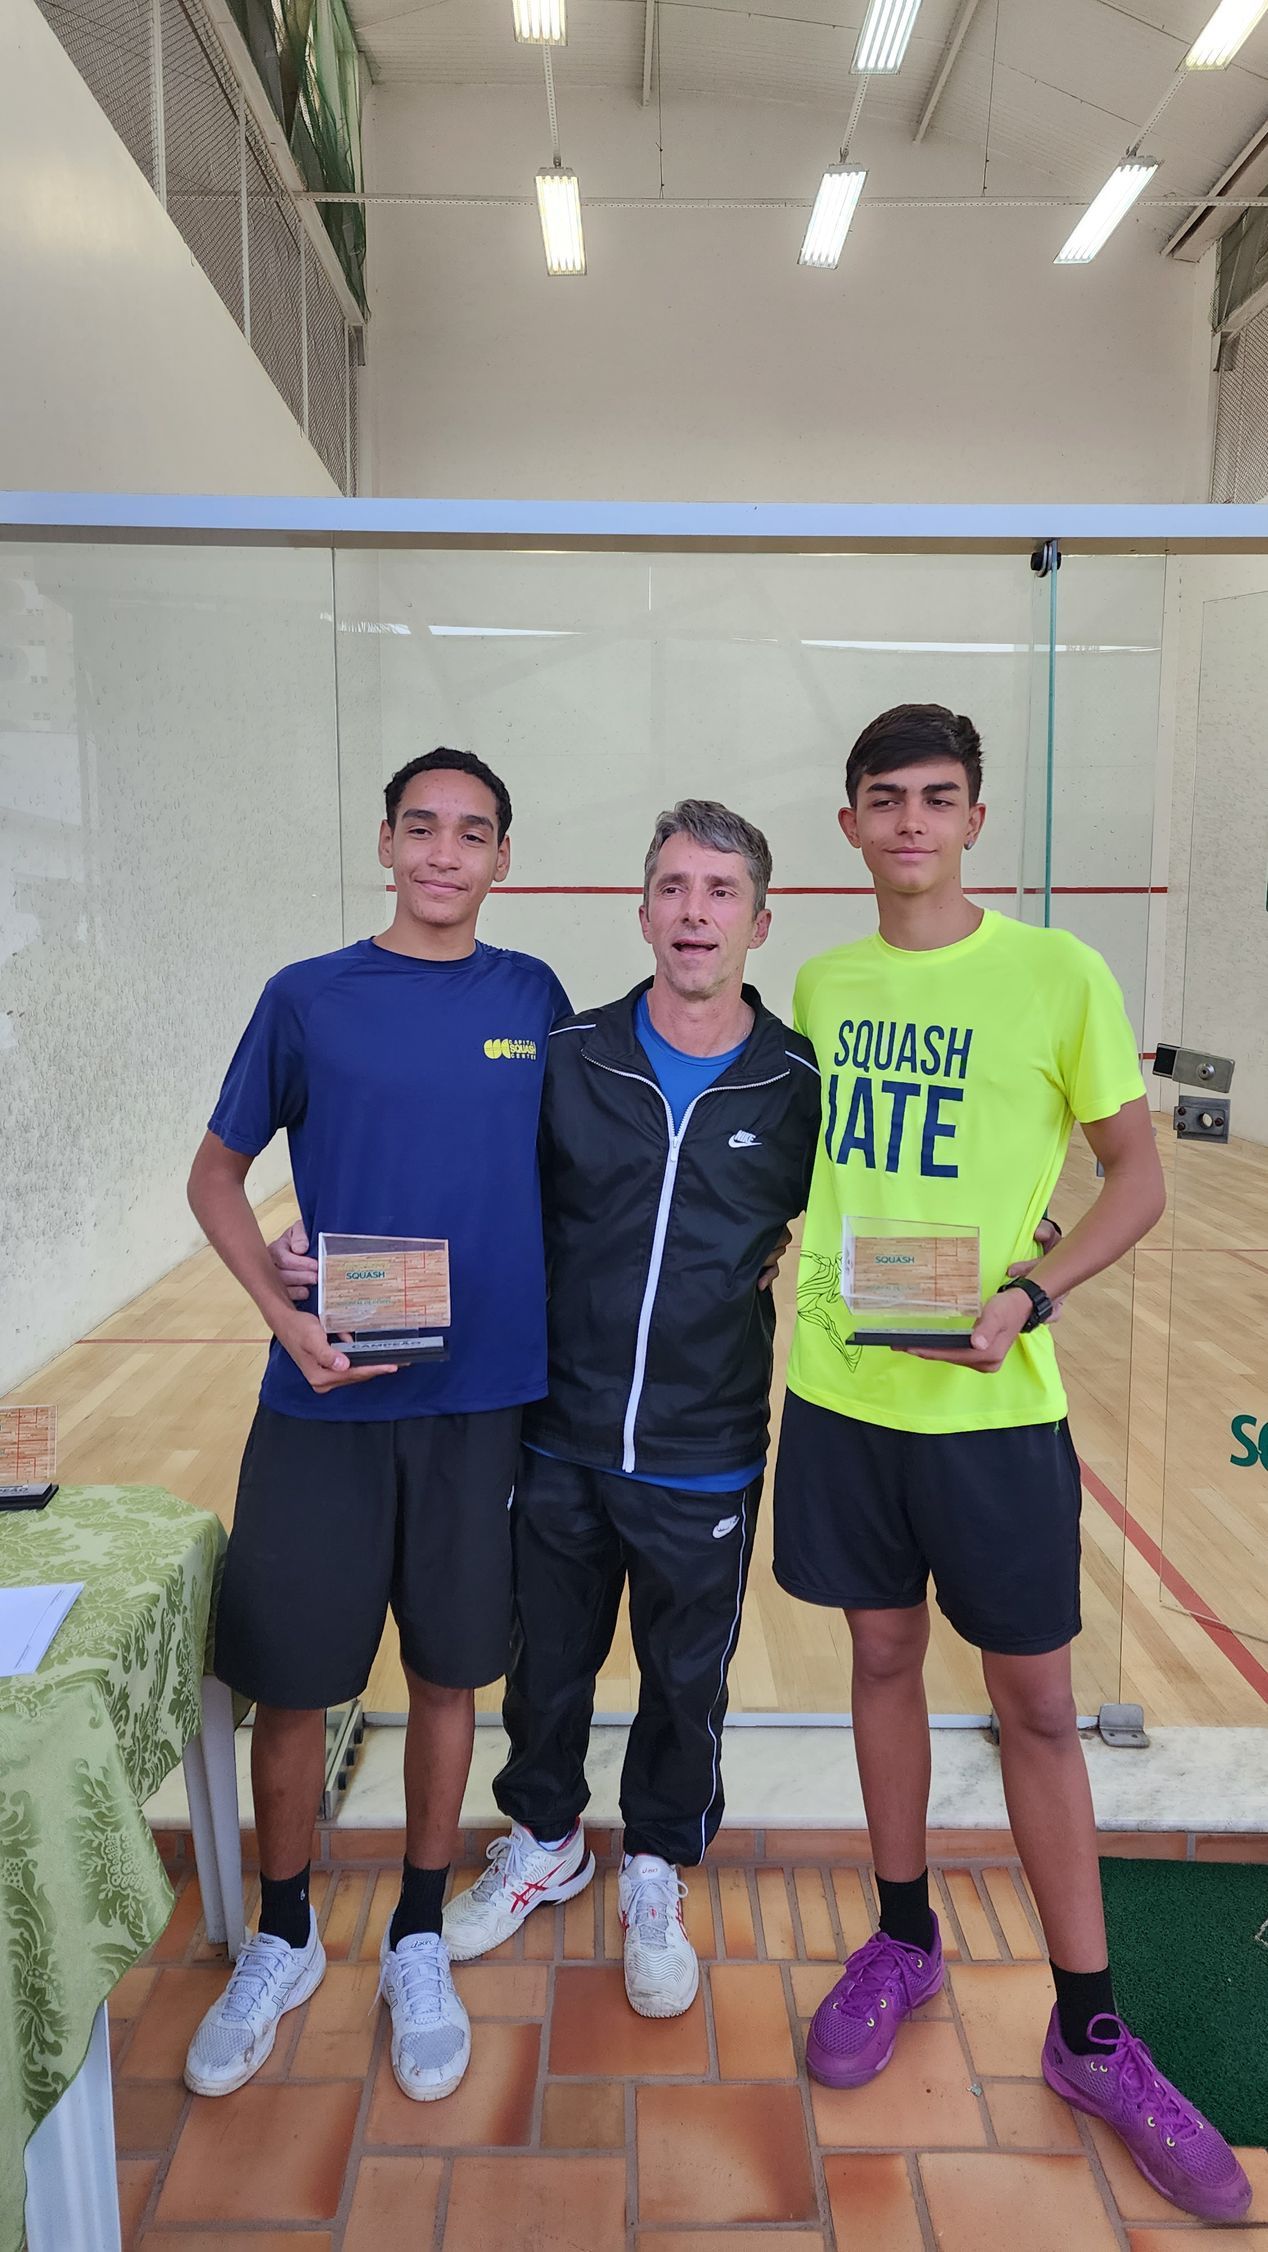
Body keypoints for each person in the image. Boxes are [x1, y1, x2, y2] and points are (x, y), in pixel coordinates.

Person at [774, 703, 1250, 2223]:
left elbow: (1135, 1172)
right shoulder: (822, 984)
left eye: (938, 798)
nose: (910, 822)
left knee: (1038, 1706)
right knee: (879, 1660)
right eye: (884, 799)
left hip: (994, 1409)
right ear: (849, 824)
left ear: (975, 818)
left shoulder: (1060, 973)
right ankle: (903, 1936)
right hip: (846, 1396)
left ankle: (1089, 2030)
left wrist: (1030, 1291)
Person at [181, 748, 568, 2105]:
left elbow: (584, 1171)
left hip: (482, 1407)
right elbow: (215, 1174)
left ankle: (415, 1932)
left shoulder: (532, 997)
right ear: (387, 844)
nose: (445, 852)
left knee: (451, 1677)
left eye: (473, 832)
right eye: (422, 827)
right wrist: (276, 1297)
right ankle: (284, 1932)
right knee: (294, 1684)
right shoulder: (307, 997)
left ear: (502, 858)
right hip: (327, 1395)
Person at [438, 801, 823, 2016]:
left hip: (704, 1447)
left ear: (759, 921)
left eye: (720, 890)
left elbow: (869, 1206)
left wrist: (1010, 1240)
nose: (694, 911)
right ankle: (545, 1840)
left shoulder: (796, 1078)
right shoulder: (571, 1054)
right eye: (673, 886)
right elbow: (479, 1196)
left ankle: (653, 1862)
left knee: (683, 1680)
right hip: (559, 1431)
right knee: (544, 1665)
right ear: (642, 909)